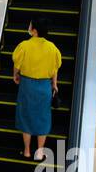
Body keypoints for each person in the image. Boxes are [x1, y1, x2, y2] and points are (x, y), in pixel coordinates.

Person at [11, 20, 63, 160]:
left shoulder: (24, 46)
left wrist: (15, 75)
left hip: (27, 85)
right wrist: (54, 84)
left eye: (30, 26)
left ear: (34, 30)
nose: (29, 28)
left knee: (25, 116)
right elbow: (55, 68)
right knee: (43, 117)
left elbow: (17, 64)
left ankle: (27, 151)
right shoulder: (52, 48)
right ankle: (39, 152)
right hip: (44, 86)